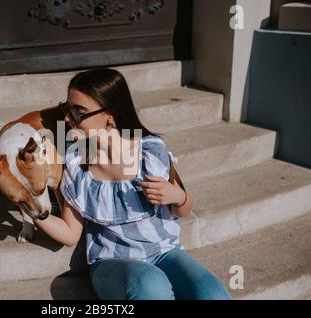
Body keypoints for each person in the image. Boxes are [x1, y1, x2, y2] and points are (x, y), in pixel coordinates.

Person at [34, 68, 232, 300]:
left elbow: (184, 208)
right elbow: (69, 234)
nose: (67, 119)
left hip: (164, 253)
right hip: (114, 262)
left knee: (213, 294)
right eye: (67, 109)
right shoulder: (78, 163)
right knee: (150, 285)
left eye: (78, 112)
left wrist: (177, 196)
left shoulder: (150, 152)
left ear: (110, 116)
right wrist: (29, 203)